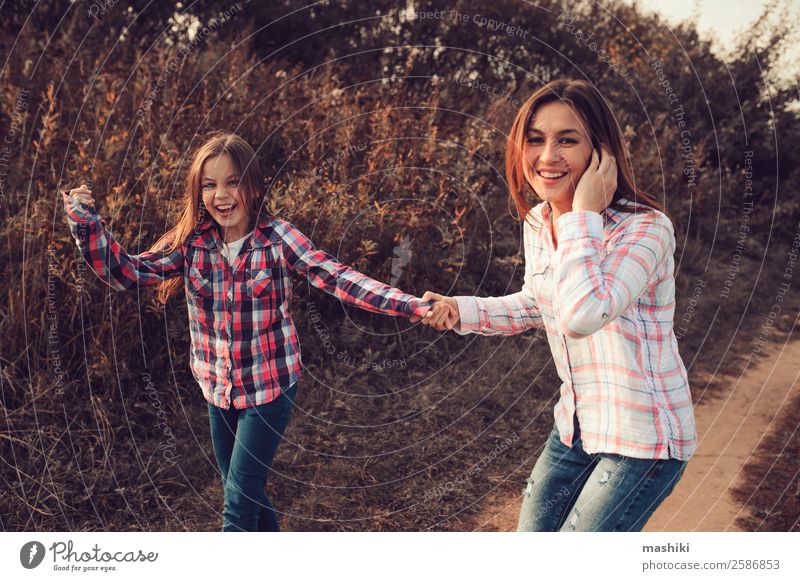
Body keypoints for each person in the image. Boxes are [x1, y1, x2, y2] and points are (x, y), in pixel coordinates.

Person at [62, 132, 434, 532]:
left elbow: (339, 277)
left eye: (232, 181)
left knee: (237, 507)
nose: (221, 195)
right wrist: (86, 222)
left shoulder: (277, 239)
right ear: (198, 191)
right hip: (217, 388)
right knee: (245, 493)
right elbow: (127, 273)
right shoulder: (191, 244)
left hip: (269, 388)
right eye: (209, 184)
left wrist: (410, 304)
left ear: (254, 185)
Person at [413, 79, 697, 532]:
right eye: (536, 139)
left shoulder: (645, 229)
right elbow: (538, 303)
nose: (547, 156)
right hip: (576, 428)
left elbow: (584, 314)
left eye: (567, 140)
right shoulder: (538, 220)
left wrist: (582, 215)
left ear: (600, 152)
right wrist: (459, 310)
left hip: (643, 441)